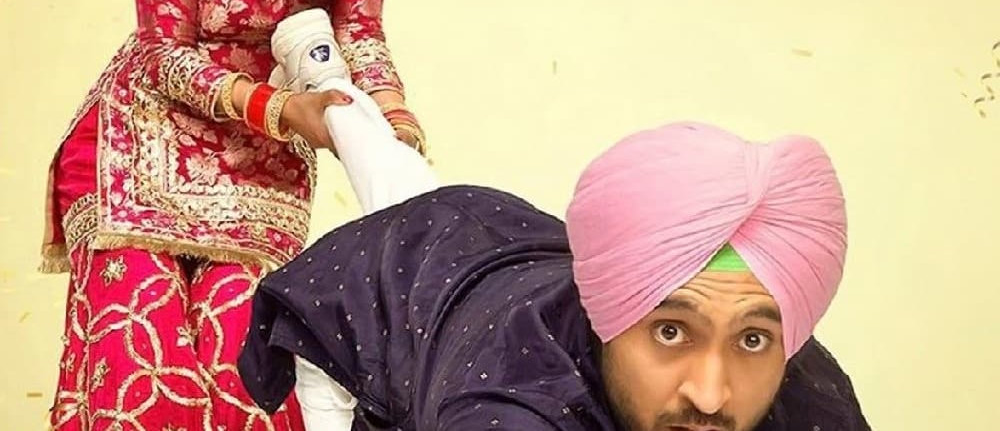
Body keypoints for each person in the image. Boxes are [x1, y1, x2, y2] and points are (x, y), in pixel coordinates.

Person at [238, 122, 871, 430]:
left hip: (507, 244)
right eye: (671, 332)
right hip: (387, 285)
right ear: (605, 315)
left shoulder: (811, 397)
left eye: (752, 339)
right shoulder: (506, 410)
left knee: (400, 174)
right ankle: (330, 85)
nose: (710, 395)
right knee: (398, 185)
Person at [41, 0, 424, 429]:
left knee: (246, 387)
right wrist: (279, 108)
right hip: (139, 152)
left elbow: (357, 32)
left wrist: (393, 125)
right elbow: (162, 52)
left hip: (262, 164)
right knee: (149, 381)